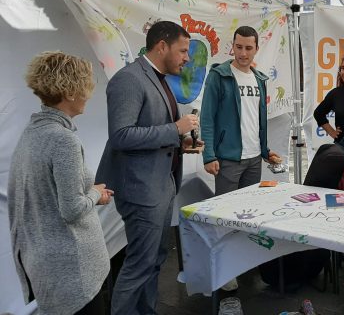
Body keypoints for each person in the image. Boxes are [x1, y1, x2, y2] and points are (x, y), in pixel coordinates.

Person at [96, 21, 201, 315]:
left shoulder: (159, 79)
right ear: (162, 46)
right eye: (182, 51)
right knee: (140, 264)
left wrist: (179, 144)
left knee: (154, 261)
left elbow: (151, 133)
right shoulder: (129, 79)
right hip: (141, 190)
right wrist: (174, 130)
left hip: (161, 186)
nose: (187, 58)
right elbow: (121, 136)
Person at [8, 51, 112, 314]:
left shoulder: (32, 133)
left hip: (46, 265)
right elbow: (72, 208)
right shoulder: (62, 140)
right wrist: (95, 194)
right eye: (85, 87)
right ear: (70, 92)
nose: (88, 95)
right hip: (72, 271)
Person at [201, 25, 280, 195]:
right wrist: (208, 156)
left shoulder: (259, 79)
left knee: (248, 210)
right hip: (228, 159)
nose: (243, 53)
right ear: (233, 46)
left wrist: (264, 150)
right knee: (224, 213)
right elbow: (207, 118)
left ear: (257, 49)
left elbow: (257, 118)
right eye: (239, 47)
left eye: (248, 48)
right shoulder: (218, 76)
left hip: (255, 158)